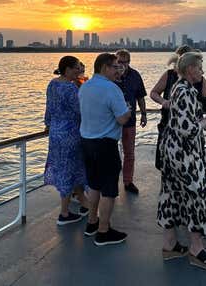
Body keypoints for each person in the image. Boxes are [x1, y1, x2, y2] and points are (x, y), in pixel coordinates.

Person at [157, 52, 206, 271]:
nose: (202, 71)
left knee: (172, 195)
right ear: (191, 68)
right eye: (200, 67)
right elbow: (187, 129)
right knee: (197, 196)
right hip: (185, 155)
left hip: (172, 152)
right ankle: (196, 248)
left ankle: (170, 245)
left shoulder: (179, 88)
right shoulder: (185, 92)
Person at [79, 53, 131, 245]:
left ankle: (92, 222)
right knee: (109, 190)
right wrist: (128, 110)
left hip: (86, 142)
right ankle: (103, 231)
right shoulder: (112, 89)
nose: (118, 70)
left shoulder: (84, 87)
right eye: (115, 66)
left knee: (93, 186)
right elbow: (122, 119)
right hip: (105, 145)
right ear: (105, 68)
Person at [44, 56, 90, 225]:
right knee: (69, 170)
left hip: (55, 133)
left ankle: (84, 203)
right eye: (77, 68)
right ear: (68, 69)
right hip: (70, 133)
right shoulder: (70, 89)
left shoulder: (52, 84)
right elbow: (80, 110)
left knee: (71, 168)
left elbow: (49, 107)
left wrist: (48, 124)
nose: (80, 71)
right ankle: (64, 213)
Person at [150, 45, 206, 170]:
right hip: (170, 126)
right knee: (168, 166)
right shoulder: (170, 77)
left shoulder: (200, 80)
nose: (201, 70)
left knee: (184, 167)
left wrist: (197, 105)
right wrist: (163, 101)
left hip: (191, 132)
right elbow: (153, 93)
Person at [115, 49, 148, 194]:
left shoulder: (135, 76)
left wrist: (144, 114)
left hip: (129, 120)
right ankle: (111, 180)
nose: (121, 65)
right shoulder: (110, 75)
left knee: (129, 153)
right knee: (111, 153)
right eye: (118, 62)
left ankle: (128, 181)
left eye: (124, 62)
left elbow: (140, 96)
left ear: (129, 62)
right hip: (112, 122)